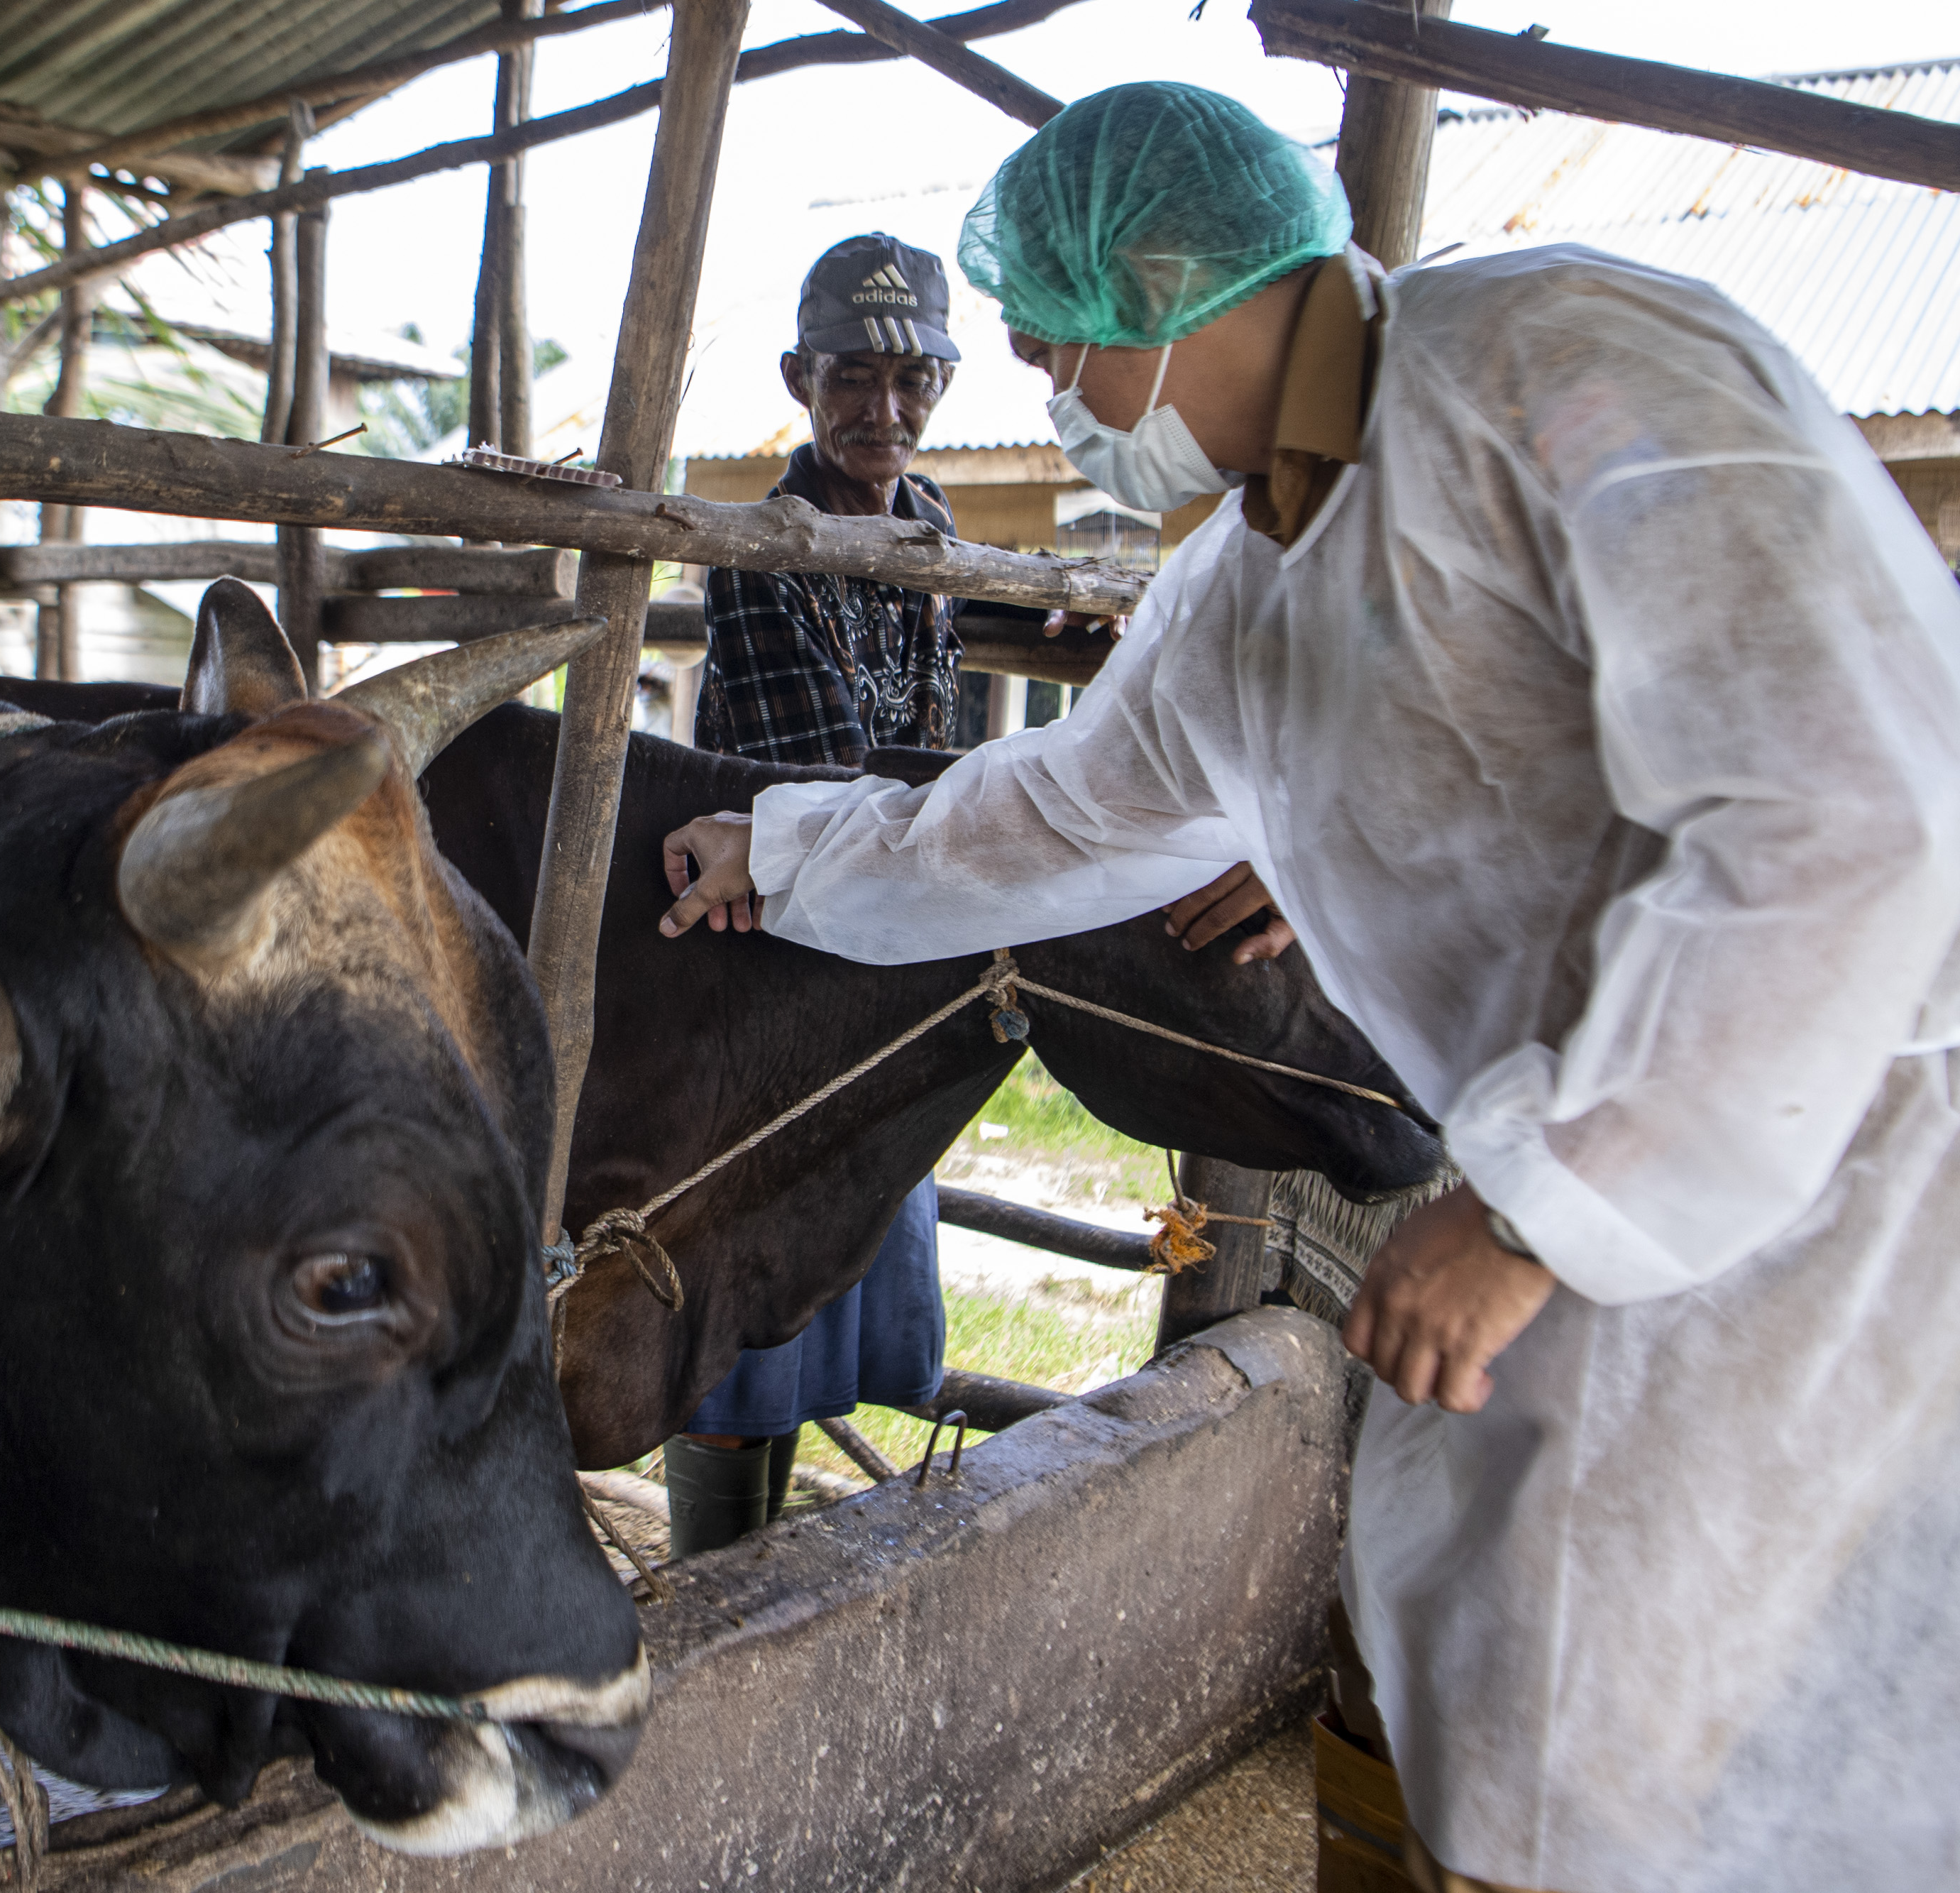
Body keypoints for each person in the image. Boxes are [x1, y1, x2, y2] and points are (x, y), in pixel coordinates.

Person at [656, 80, 1960, 1893]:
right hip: (1595, 1180)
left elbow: (1838, 811)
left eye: (1058, 339)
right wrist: (781, 847)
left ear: (1177, 282)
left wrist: (1532, 1207)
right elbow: (1047, 815)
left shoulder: (1559, 369)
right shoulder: (1237, 587)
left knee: (1656, 1748)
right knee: (1488, 1671)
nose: (1046, 383)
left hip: (1828, 1176)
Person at [666, 233, 963, 1556]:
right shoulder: (760, 546)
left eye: (913, 380)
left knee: (834, 1245)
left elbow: (918, 746)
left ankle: (768, 1581)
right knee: (738, 1268)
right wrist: (947, 830)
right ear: (800, 375)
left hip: (880, 932)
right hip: (764, 942)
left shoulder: (938, 532)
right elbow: (818, 774)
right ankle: (716, 1582)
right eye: (853, 375)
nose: (883, 411)